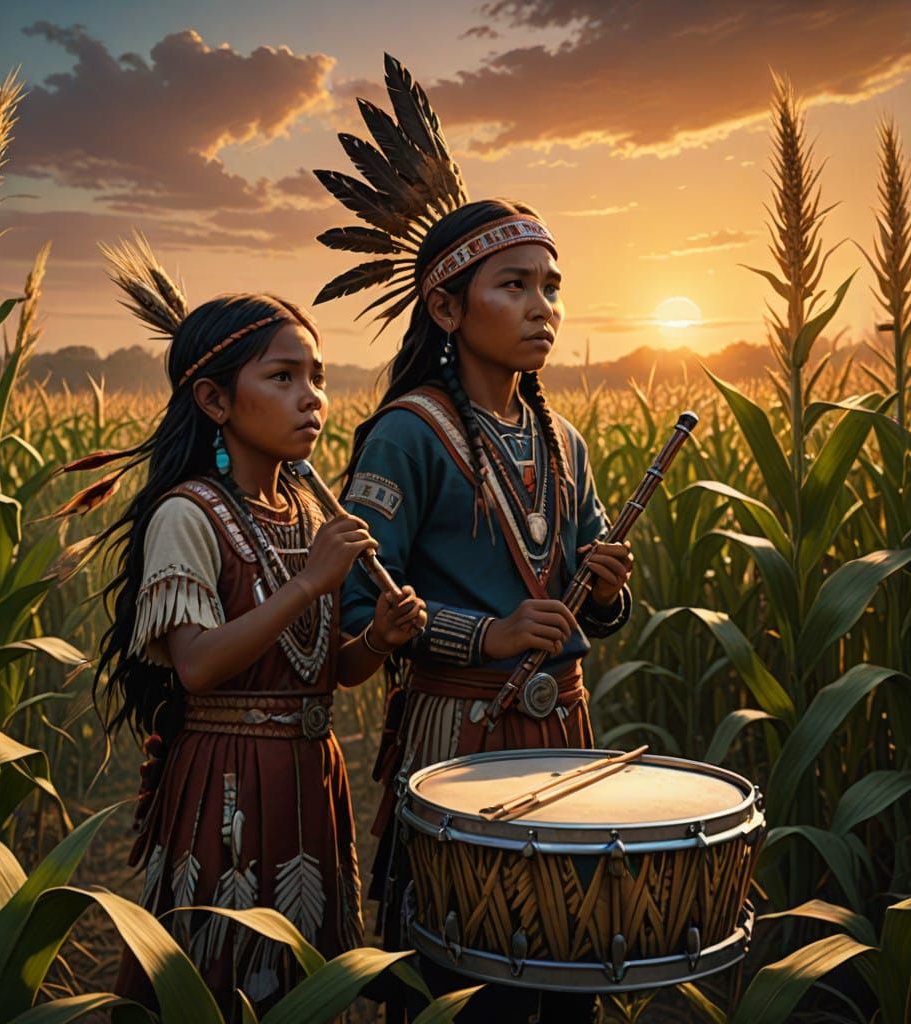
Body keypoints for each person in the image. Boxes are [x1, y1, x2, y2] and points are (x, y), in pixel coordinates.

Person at [311, 56, 633, 1023]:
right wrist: (484, 636)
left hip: (562, 730)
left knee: (570, 964)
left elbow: (596, 610)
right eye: (516, 286)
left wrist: (606, 589)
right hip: (458, 730)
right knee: (466, 980)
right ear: (447, 309)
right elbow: (363, 600)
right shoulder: (405, 435)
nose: (544, 307)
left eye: (552, 286)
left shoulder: (564, 440)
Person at [73, 237, 426, 1018]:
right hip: (226, 778)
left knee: (305, 983)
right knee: (219, 982)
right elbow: (197, 666)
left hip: (309, 773)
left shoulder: (307, 510)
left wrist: (378, 640)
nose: (312, 399)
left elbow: (322, 668)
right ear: (214, 401)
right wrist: (310, 583)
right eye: (283, 376)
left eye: (317, 378)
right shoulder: (186, 514)